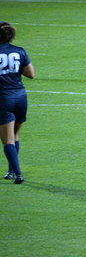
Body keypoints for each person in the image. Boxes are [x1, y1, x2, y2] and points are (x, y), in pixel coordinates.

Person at [0, 22, 35, 184]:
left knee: (7, 139)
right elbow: (31, 74)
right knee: (15, 135)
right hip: (20, 97)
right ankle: (11, 171)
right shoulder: (19, 51)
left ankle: (18, 173)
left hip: (3, 98)